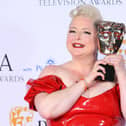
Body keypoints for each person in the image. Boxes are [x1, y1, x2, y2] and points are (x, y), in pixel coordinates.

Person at [24, 4, 126, 126]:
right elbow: (47, 110)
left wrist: (121, 73)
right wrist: (86, 82)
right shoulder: (52, 72)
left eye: (86, 32)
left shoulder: (117, 76)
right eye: (72, 31)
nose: (77, 37)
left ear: (100, 39)